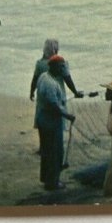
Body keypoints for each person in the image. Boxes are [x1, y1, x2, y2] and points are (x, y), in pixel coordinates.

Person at [35, 54, 77, 191]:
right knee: (55, 151)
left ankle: (46, 178)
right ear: (53, 67)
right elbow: (54, 105)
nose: (63, 69)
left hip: (43, 118)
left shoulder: (44, 76)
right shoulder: (51, 84)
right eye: (61, 67)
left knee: (46, 151)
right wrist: (68, 115)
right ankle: (53, 182)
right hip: (50, 121)